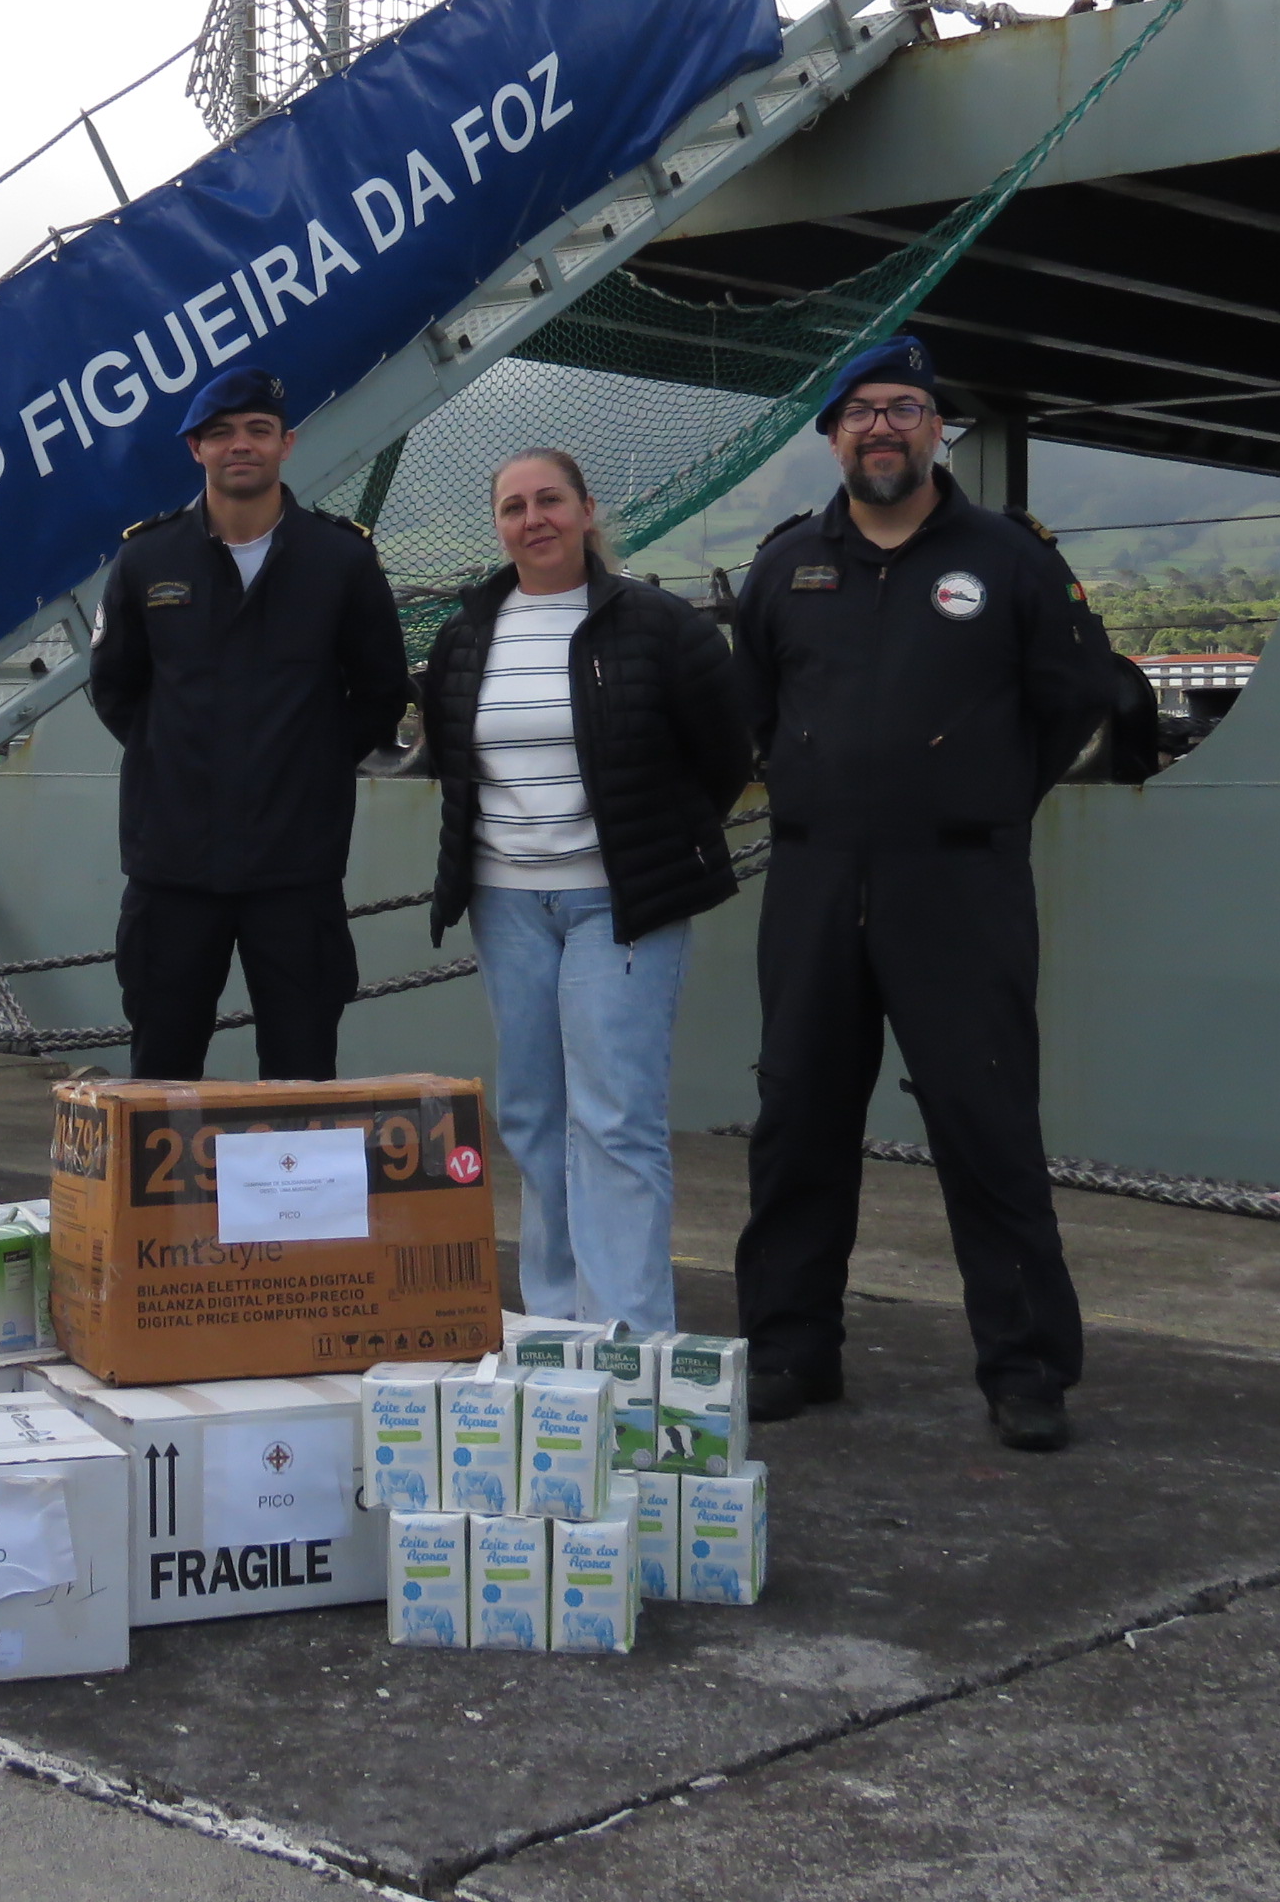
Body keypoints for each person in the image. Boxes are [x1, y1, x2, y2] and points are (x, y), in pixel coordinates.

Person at [731, 337, 1116, 1450]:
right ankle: (791, 1347)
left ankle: (1026, 1367)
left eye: (902, 407)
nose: (881, 428)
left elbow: (1075, 696)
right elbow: (751, 705)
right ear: (832, 436)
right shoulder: (787, 564)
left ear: (937, 426)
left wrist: (980, 795)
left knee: (984, 1119)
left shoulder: (1007, 559)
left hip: (958, 881)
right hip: (812, 878)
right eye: (858, 411)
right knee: (797, 1120)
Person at [421, 449, 751, 1332]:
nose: (534, 520)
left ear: (587, 511)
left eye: (551, 501)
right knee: (533, 1115)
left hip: (623, 899)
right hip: (507, 902)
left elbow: (725, 748)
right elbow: (452, 757)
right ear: (498, 525)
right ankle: (559, 1322)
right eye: (514, 506)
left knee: (614, 1118)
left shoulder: (657, 625)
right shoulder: (466, 635)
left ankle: (631, 1337)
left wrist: (654, 841)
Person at [91, 367, 413, 1081]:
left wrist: (312, 765)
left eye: (258, 431)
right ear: (195, 449)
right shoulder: (147, 559)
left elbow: (382, 689)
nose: (242, 444)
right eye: (222, 433)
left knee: (301, 1071)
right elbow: (116, 689)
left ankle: (298, 1199)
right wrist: (177, 761)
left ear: (286, 444)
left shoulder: (341, 560)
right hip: (172, 868)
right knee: (161, 1075)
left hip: (294, 870)